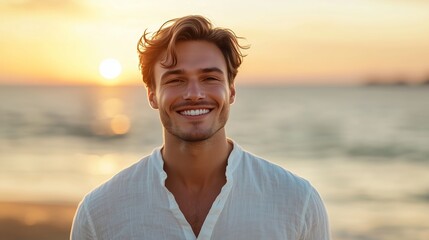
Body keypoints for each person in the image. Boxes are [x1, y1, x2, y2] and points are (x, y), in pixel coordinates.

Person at [70, 15, 330, 240]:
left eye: (209, 78)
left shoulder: (297, 201)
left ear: (230, 90)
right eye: (176, 80)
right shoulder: (99, 212)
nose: (194, 94)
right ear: (152, 95)